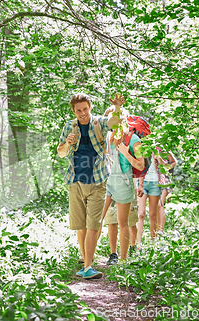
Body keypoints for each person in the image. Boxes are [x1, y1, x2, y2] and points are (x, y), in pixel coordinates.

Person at [57, 92, 124, 279]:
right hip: (75, 181)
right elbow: (61, 153)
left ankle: (87, 266)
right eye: (78, 110)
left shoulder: (99, 123)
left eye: (85, 109)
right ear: (73, 111)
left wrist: (117, 107)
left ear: (90, 107)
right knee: (81, 226)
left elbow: (115, 125)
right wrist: (67, 143)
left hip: (97, 181)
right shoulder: (69, 127)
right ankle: (86, 263)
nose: (82, 113)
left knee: (93, 224)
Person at [100, 117, 145, 262]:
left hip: (124, 183)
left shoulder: (133, 139)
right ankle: (105, 256)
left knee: (123, 222)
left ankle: (124, 259)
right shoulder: (108, 137)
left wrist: (126, 154)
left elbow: (140, 165)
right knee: (100, 219)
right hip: (108, 181)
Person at [156, 151, 176, 234]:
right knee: (156, 206)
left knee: (160, 204)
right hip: (155, 180)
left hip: (165, 181)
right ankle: (157, 229)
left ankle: (161, 229)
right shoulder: (150, 150)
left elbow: (174, 162)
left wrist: (167, 168)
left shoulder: (165, 151)